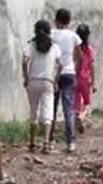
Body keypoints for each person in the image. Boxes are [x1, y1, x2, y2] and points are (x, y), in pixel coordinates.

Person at [22, 20, 62, 153]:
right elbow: (60, 65)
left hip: (33, 81)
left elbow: (24, 61)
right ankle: (46, 143)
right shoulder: (54, 46)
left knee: (33, 112)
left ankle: (32, 143)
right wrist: (56, 80)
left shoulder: (31, 45)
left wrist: (26, 77)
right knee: (48, 113)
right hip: (48, 82)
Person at [49, 8, 82, 153]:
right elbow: (80, 56)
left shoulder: (51, 34)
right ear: (68, 21)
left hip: (53, 74)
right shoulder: (73, 36)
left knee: (52, 108)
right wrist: (74, 67)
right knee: (68, 109)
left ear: (56, 20)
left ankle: (48, 140)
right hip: (69, 73)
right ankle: (70, 142)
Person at [74, 24, 97, 135]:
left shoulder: (75, 49)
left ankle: (76, 119)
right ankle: (81, 117)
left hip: (74, 78)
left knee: (76, 103)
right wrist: (93, 82)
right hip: (85, 79)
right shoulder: (89, 49)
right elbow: (92, 67)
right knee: (87, 104)